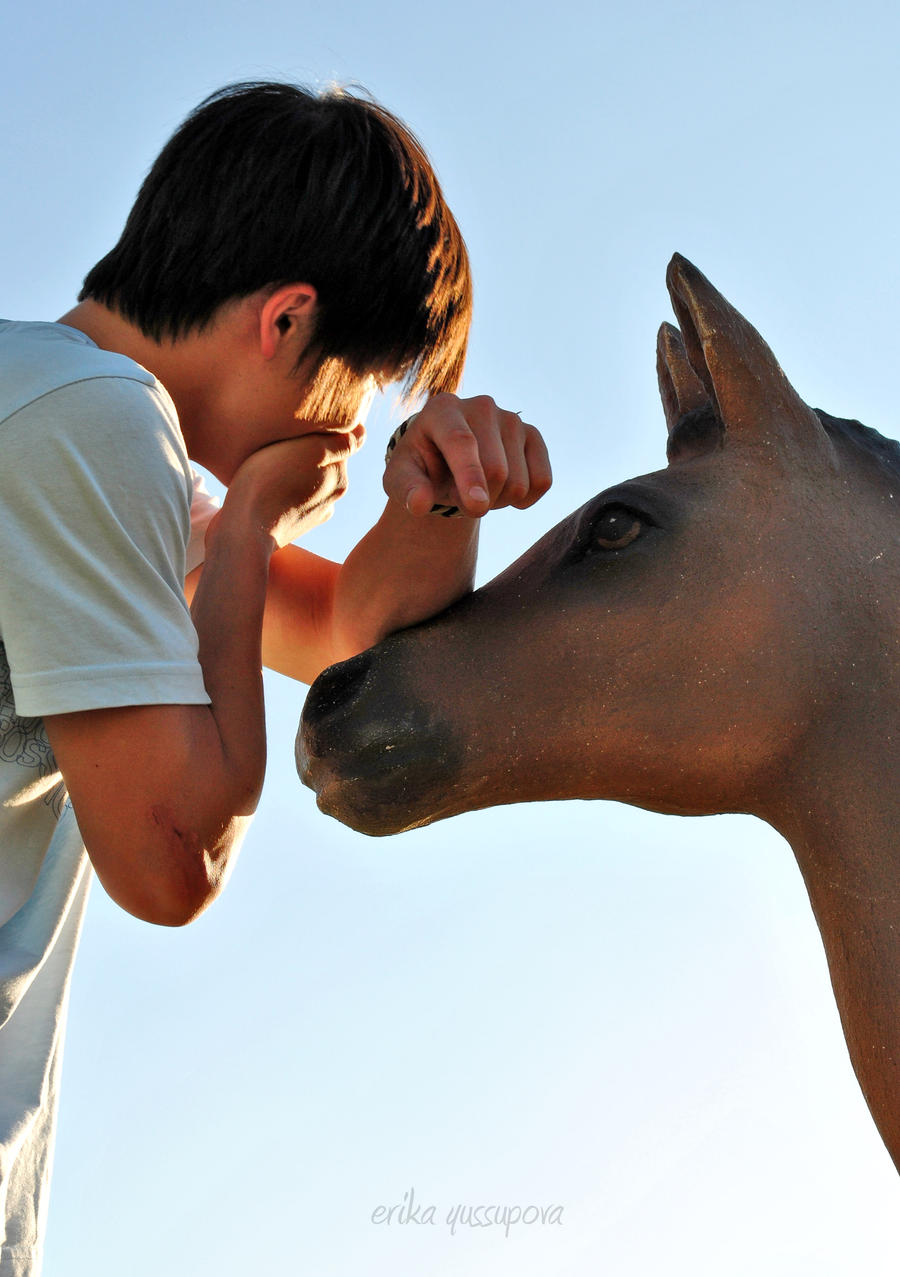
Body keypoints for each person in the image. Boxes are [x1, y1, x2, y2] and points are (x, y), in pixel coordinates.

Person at [0, 80, 551, 1275]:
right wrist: (251, 521)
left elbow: (351, 623)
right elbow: (170, 856)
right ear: (288, 321)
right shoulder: (99, 424)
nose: (348, 437)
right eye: (360, 396)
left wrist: (440, 487)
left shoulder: (66, 415)